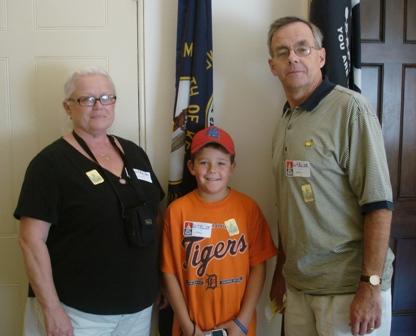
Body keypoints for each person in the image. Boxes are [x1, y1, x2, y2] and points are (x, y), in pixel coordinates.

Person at [267, 16, 394, 336]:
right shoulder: (285, 119)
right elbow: (290, 204)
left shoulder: (351, 110)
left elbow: (378, 204)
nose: (292, 57)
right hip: (299, 290)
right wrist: (282, 273)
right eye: (282, 52)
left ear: (321, 56)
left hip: (349, 292)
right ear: (272, 66)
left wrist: (370, 285)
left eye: (302, 48)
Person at [14, 67, 165, 336]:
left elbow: (157, 218)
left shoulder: (135, 153)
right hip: (77, 313)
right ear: (68, 107)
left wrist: (160, 279)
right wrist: (51, 309)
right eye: (87, 99)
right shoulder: (50, 164)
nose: (99, 106)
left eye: (107, 97)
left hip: (137, 308)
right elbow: (30, 240)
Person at [161, 126, 277, 336]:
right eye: (204, 162)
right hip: (191, 327)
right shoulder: (177, 211)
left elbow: (259, 268)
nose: (212, 170)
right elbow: (169, 273)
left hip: (237, 327)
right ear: (191, 166)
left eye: (221, 163)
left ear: (232, 167)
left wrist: (242, 323)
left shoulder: (248, 208)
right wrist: (188, 327)